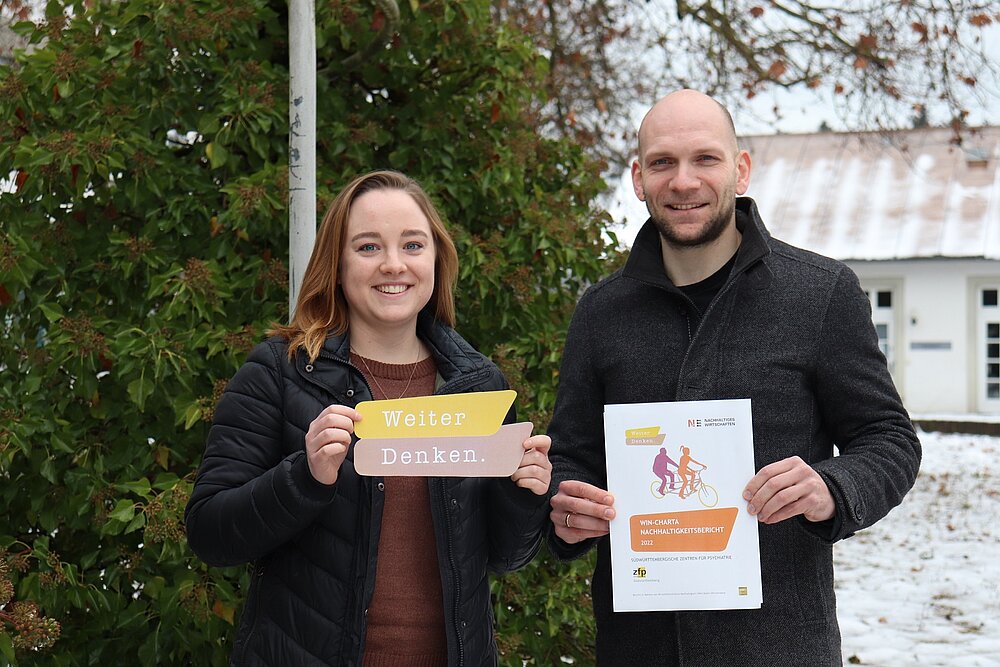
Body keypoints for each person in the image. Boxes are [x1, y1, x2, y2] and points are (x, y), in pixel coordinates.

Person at [546, 90, 921, 665]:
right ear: (638, 179)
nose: (683, 181)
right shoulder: (601, 311)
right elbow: (571, 456)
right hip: (639, 647)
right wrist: (566, 503)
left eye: (705, 159)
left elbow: (889, 439)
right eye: (663, 162)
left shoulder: (819, 293)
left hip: (780, 643)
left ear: (740, 170)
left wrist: (831, 488)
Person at [185, 170, 552, 666]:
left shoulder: (477, 384)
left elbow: (506, 557)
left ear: (437, 261)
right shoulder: (279, 372)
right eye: (368, 247)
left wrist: (522, 492)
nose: (393, 265)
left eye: (413, 245)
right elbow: (210, 531)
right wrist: (304, 476)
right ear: (335, 264)